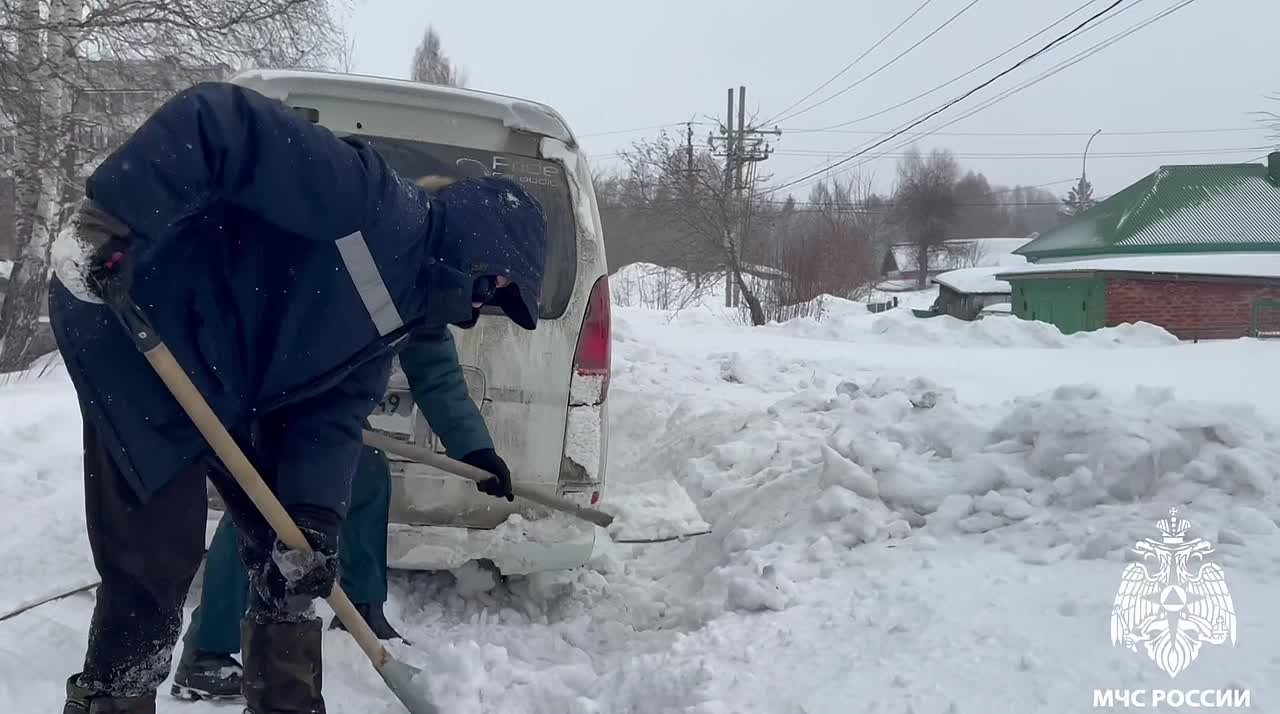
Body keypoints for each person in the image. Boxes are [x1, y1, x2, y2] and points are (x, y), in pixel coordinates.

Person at [50, 81, 546, 714]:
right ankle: (114, 697)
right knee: (154, 563)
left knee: (289, 560)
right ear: (481, 237)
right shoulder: (368, 199)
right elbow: (219, 118)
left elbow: (332, 415)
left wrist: (313, 515)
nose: (484, 304)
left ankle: (288, 703)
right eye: (494, 284)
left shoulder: (402, 312)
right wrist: (114, 215)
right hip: (133, 314)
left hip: (225, 375)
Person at [172, 327, 504, 701]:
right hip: (262, 374)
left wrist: (474, 448)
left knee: (367, 471)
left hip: (328, 388)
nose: (476, 311)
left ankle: (361, 610)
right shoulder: (381, 274)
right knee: (260, 504)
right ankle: (206, 652)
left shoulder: (432, 288)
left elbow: (434, 368)